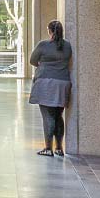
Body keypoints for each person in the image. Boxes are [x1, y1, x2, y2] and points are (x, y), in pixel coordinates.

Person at [29, 19, 72, 156]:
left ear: (50, 31)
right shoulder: (68, 46)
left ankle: (48, 148)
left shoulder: (43, 45)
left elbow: (32, 60)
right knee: (58, 115)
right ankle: (59, 147)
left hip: (46, 83)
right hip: (63, 83)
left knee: (48, 116)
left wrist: (44, 65)